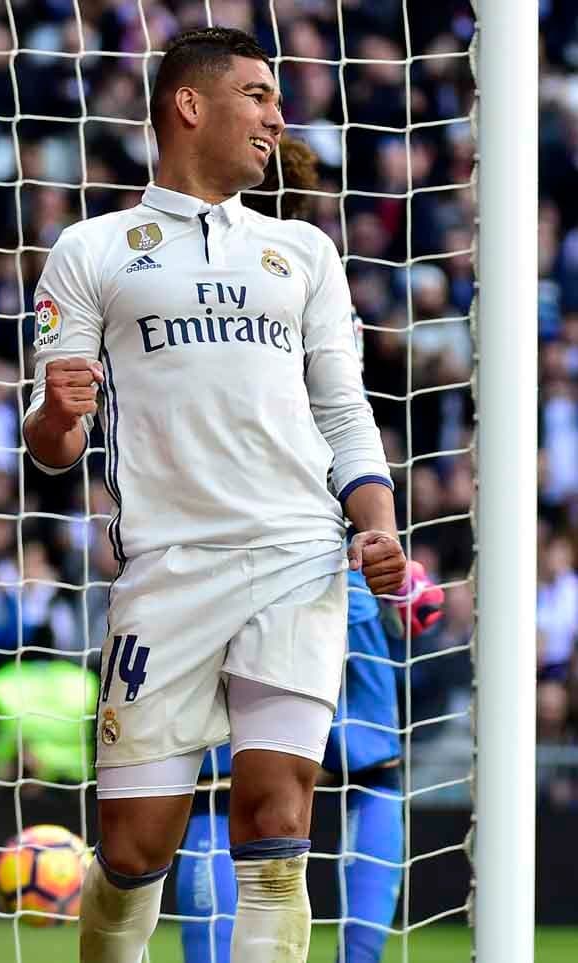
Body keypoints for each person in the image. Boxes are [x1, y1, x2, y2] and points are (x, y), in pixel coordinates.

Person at [22, 27, 406, 963]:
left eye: (276, 98)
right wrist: (55, 413)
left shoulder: (303, 252)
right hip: (169, 569)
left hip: (296, 557)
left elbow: (343, 409)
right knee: (132, 850)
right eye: (259, 94)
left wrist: (378, 522)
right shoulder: (92, 250)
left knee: (277, 830)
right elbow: (51, 448)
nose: (278, 114)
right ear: (189, 105)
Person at [174, 136, 444, 963]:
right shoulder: (321, 289)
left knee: (219, 790)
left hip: (207, 562)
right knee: (371, 774)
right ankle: (358, 956)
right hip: (334, 559)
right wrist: (381, 533)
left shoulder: (183, 292)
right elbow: (345, 422)